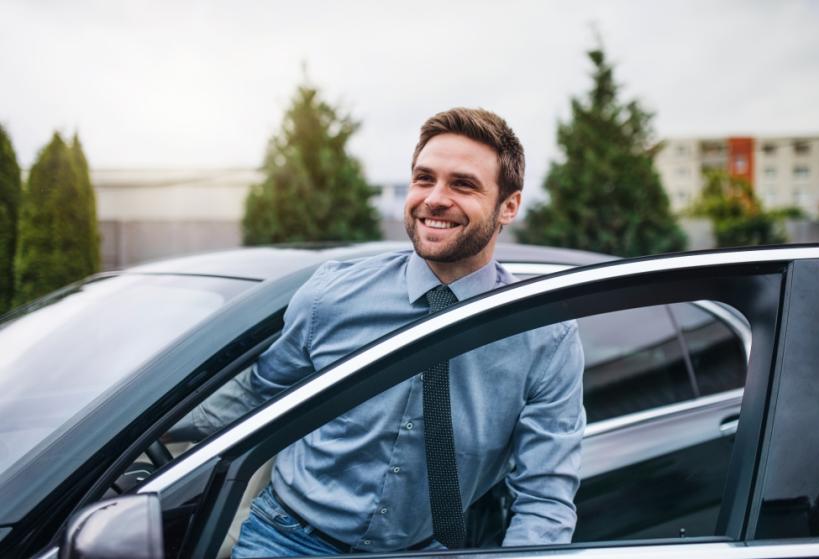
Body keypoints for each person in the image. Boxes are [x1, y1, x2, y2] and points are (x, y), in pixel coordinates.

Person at [172, 108, 585, 557]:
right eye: (424, 179)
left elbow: (545, 497)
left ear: (509, 206)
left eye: (462, 184)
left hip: (424, 549)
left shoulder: (544, 335)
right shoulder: (332, 294)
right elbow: (256, 396)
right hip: (286, 540)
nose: (434, 198)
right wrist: (145, 423)